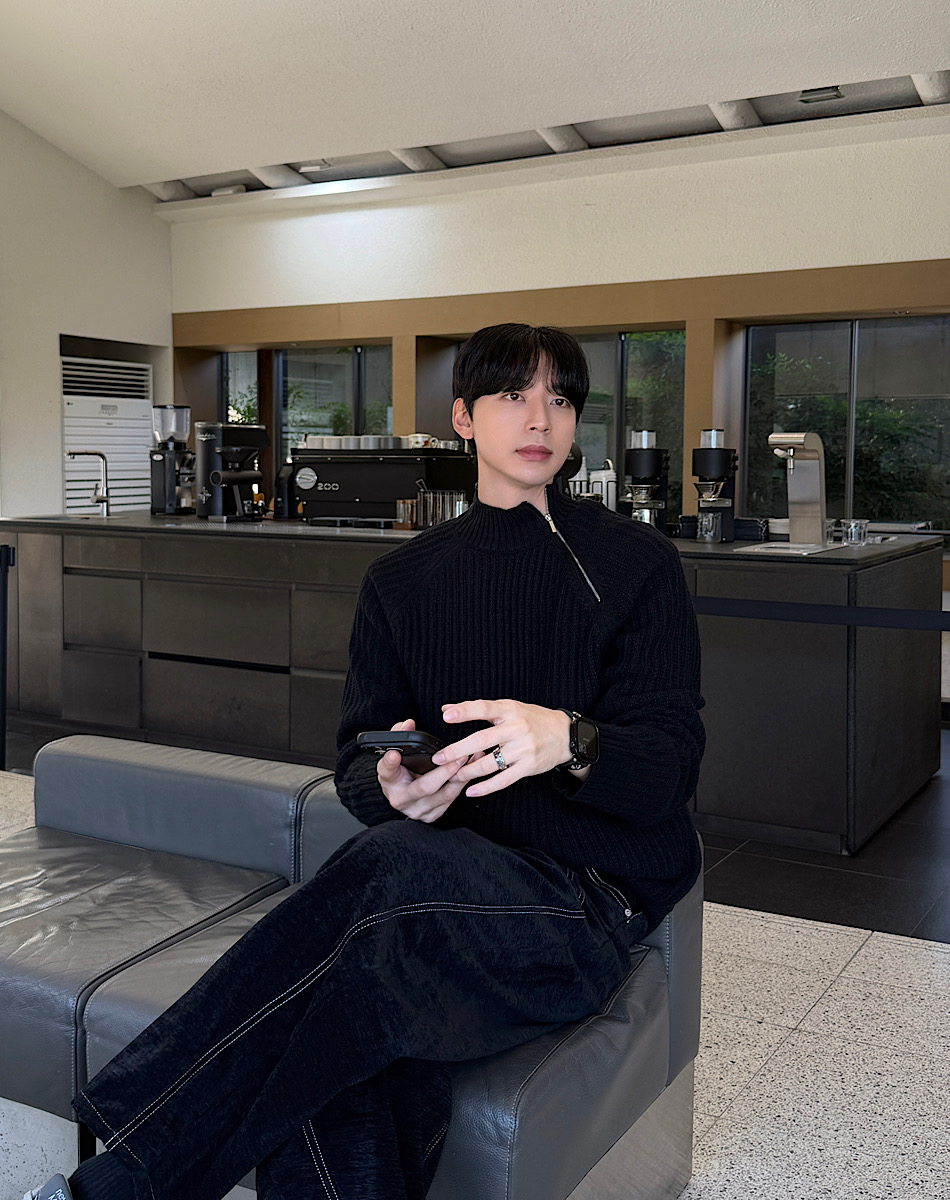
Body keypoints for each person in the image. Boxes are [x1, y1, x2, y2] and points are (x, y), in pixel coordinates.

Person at [26, 323, 704, 1200]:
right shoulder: (402, 581)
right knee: (350, 1018)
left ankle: (116, 1180)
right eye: (513, 395)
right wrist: (391, 786)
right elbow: (357, 753)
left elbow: (670, 771)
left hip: (579, 907)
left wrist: (570, 739)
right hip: (433, 888)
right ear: (464, 417)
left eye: (560, 399)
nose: (540, 418)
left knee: (382, 877)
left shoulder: (637, 565)